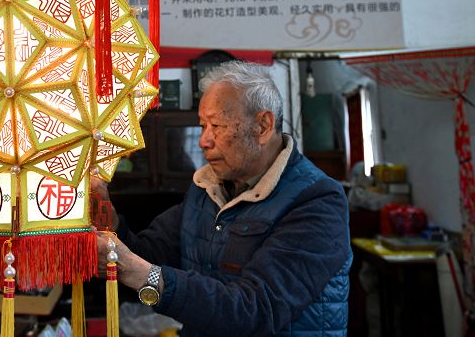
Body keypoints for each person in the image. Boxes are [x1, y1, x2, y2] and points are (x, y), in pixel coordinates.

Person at [93, 61, 352, 336]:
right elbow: (151, 255)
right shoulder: (207, 188)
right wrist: (106, 217)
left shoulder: (317, 201)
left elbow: (255, 309)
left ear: (263, 126)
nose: (203, 141)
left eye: (216, 125)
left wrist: (136, 271)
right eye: (202, 125)